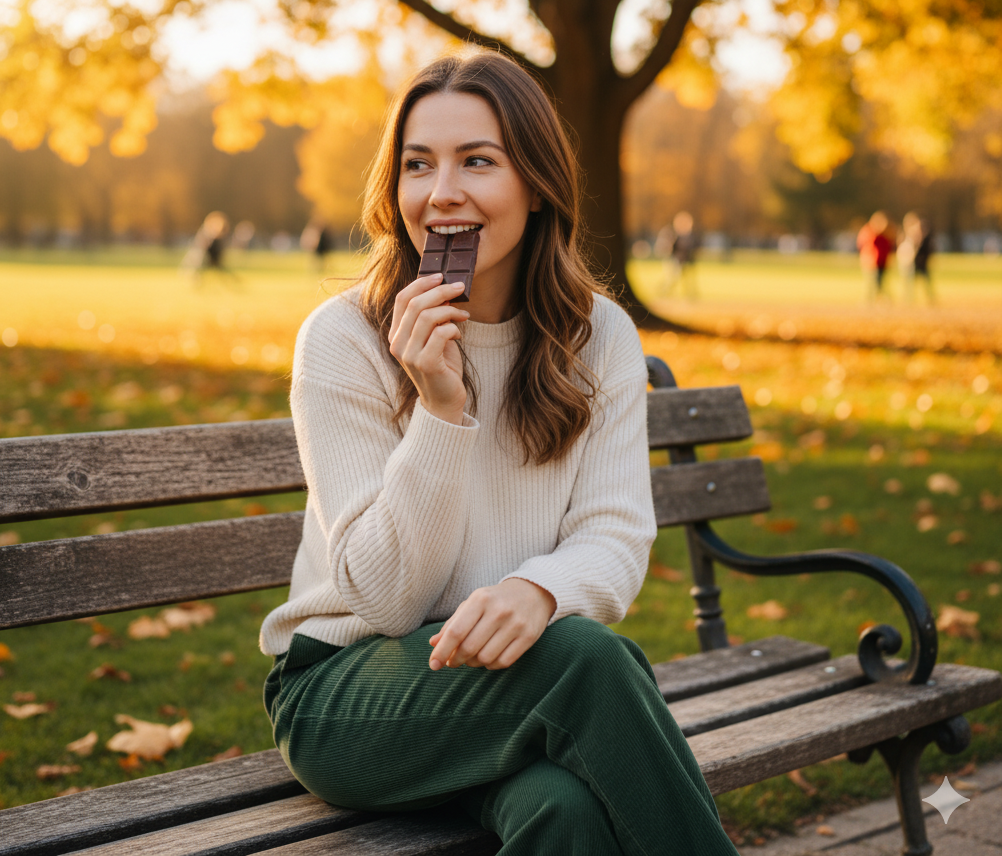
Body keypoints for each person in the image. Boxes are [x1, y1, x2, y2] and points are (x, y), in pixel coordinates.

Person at [259, 53, 738, 855]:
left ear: (538, 184)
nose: (441, 191)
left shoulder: (598, 335)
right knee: (586, 658)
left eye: (477, 160)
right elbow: (384, 602)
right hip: (347, 695)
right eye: (418, 165)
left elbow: (616, 535)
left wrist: (539, 590)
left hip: (514, 678)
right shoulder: (344, 340)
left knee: (563, 810)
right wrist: (442, 408)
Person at [856, 210, 895, 301]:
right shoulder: (869, 231)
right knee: (872, 282)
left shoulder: (887, 233)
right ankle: (869, 299)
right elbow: (864, 243)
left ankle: (881, 299)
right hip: (871, 262)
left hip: (882, 261)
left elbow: (890, 245)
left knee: (880, 282)